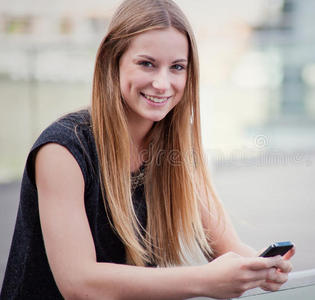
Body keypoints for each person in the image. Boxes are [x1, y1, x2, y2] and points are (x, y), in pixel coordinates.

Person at [1, 0, 295, 299]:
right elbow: (79, 284)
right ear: (111, 61)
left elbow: (232, 250)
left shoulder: (174, 151)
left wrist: (262, 267)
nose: (162, 83)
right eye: (147, 63)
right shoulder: (62, 149)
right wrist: (205, 281)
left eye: (177, 67)